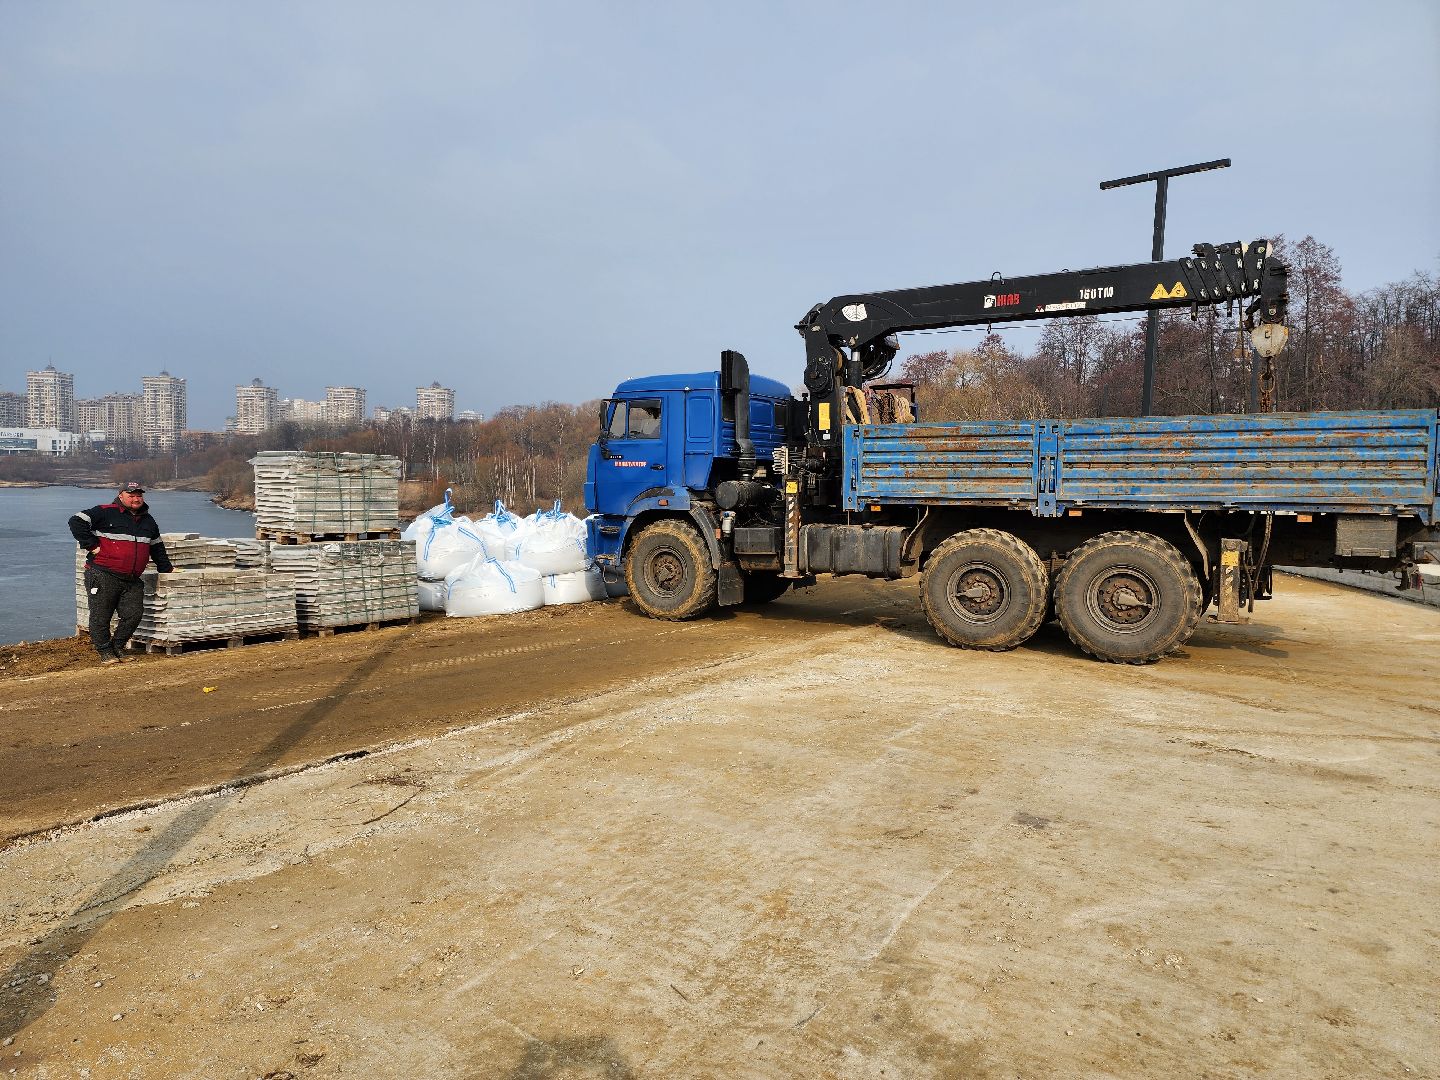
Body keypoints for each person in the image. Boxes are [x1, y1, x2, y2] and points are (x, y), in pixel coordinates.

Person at [69, 482, 174, 664]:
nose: (135, 498)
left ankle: (118, 646)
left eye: (139, 495)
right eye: (131, 495)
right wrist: (92, 545)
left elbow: (156, 546)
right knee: (101, 615)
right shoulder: (105, 511)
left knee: (134, 614)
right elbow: (76, 521)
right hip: (102, 573)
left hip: (131, 578)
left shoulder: (148, 521)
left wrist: (166, 568)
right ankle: (105, 651)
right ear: (121, 495)